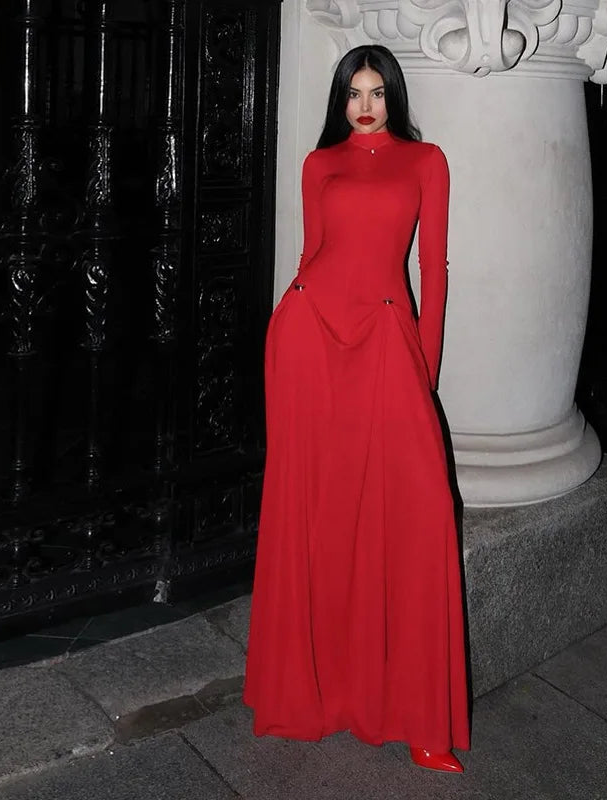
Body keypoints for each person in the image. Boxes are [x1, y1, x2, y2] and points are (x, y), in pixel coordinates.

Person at [243, 44, 470, 773]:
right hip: (307, 338)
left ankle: (420, 718)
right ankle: (309, 696)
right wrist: (286, 329)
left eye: (375, 91)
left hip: (384, 341)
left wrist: (423, 367)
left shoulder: (425, 160)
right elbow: (311, 254)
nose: (365, 104)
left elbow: (431, 269)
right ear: (339, 100)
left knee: (420, 508)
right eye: (352, 93)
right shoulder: (319, 165)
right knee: (317, 509)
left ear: (392, 95)